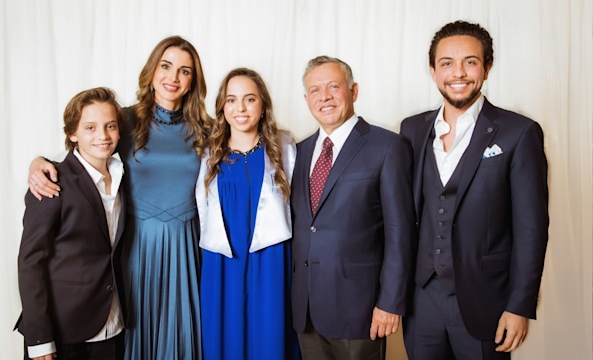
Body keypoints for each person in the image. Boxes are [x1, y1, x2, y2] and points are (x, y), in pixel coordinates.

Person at [27, 36, 212, 359]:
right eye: (165, 66)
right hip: (135, 250)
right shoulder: (124, 120)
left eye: (184, 71)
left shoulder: (207, 129)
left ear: (193, 81)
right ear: (152, 71)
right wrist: (39, 163)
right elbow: (83, 152)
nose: (173, 77)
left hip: (185, 248)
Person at [400, 20, 550, 360]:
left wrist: (520, 305)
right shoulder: (411, 129)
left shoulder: (519, 132)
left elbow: (532, 229)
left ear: (487, 67)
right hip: (421, 302)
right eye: (447, 63)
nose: (459, 73)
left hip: (486, 301)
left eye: (470, 61)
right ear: (433, 71)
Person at [290, 55, 417, 360]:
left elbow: (401, 233)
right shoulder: (299, 151)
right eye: (316, 90)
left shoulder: (387, 146)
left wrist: (390, 302)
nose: (325, 97)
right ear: (307, 99)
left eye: (334, 87)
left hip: (360, 309)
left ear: (353, 91)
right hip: (306, 309)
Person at [16, 87, 127, 360]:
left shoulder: (124, 177)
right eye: (90, 127)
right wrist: (40, 339)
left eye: (110, 126)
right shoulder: (51, 182)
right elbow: (31, 263)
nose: (102, 135)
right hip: (63, 332)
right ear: (72, 133)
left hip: (113, 326)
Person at [196, 67, 300, 359]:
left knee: (270, 335)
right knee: (224, 336)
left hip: (271, 258)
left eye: (249, 99)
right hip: (222, 261)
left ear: (263, 105)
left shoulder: (285, 148)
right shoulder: (208, 153)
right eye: (231, 100)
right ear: (222, 106)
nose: (240, 108)